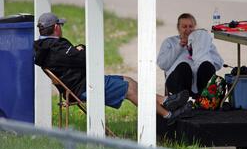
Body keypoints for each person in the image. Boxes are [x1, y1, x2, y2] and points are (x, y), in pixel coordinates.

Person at [34, 12, 192, 126]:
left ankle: (165, 100)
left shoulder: (43, 48)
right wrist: (81, 48)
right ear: (55, 27)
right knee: (130, 89)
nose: (61, 28)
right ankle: (168, 114)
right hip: (83, 87)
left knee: (128, 80)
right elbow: (88, 60)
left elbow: (77, 59)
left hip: (77, 85)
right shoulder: (57, 47)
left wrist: (78, 51)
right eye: (60, 25)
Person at [157, 13, 223, 98]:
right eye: (184, 27)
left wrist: (203, 48)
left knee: (206, 65)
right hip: (177, 82)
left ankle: (205, 101)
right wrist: (179, 47)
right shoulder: (170, 42)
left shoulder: (202, 42)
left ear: (195, 27)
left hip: (199, 83)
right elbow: (162, 64)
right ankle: (181, 102)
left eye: (190, 26)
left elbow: (218, 64)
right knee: (184, 66)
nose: (188, 30)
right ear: (178, 28)